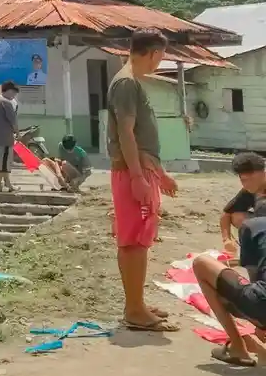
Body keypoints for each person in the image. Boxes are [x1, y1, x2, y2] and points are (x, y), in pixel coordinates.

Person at [108, 29, 179, 332]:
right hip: (131, 172)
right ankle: (134, 309)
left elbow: (138, 136)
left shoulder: (132, 82)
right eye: (161, 55)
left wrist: (158, 173)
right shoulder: (126, 82)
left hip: (141, 169)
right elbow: (126, 132)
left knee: (138, 240)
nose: (160, 61)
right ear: (152, 53)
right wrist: (137, 176)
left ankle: (136, 303)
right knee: (135, 242)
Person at [190, 198, 266, 367]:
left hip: (262, 303)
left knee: (201, 264)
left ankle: (238, 347)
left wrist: (261, 325)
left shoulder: (252, 226)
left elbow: (256, 278)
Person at [222, 152, 266, 254]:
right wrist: (226, 240)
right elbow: (226, 214)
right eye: (243, 180)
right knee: (237, 216)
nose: (247, 185)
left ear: (264, 174)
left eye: (251, 180)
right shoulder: (250, 190)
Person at [0, 81, 20, 193]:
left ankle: (7, 184)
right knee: (4, 162)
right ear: (9, 91)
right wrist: (18, 133)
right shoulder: (6, 103)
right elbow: (13, 121)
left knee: (1, 161)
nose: (14, 96)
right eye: (14, 93)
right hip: (5, 138)